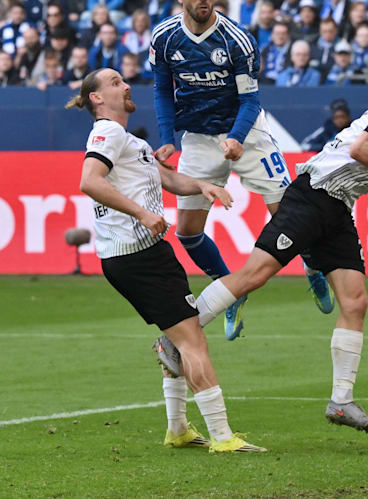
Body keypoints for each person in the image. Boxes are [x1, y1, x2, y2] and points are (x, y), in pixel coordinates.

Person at [169, 69, 368, 433]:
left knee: (355, 302)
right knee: (255, 274)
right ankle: (176, 336)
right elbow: (361, 149)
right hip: (312, 195)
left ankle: (341, 402)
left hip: (338, 207)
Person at [67, 68, 264, 454]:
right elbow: (90, 180)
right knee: (193, 341)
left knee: (181, 338)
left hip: (137, 254)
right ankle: (223, 437)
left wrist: (204, 185)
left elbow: (171, 181)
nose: (126, 85)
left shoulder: (127, 139)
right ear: (96, 98)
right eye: (115, 82)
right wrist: (142, 214)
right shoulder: (106, 132)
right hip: (139, 253)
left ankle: (178, 429)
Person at [150, 0, 333, 341]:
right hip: (197, 139)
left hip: (246, 133)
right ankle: (228, 290)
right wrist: (167, 138)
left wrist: (235, 136)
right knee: (186, 232)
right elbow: (162, 90)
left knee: (288, 213)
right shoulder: (164, 38)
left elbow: (250, 101)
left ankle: (313, 266)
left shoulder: (237, 40)